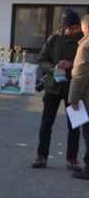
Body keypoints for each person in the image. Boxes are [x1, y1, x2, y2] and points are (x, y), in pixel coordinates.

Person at [31, 9, 83, 170]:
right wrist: (54, 67)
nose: (75, 30)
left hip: (74, 89)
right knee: (46, 124)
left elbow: (84, 64)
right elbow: (41, 59)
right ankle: (41, 156)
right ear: (63, 26)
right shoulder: (53, 40)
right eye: (71, 27)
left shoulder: (83, 41)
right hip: (53, 87)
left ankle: (72, 159)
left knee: (75, 125)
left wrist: (71, 65)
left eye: (77, 27)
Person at [68, 13, 89, 180]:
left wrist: (73, 99)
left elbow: (80, 74)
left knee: (88, 133)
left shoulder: (85, 46)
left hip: (87, 97)